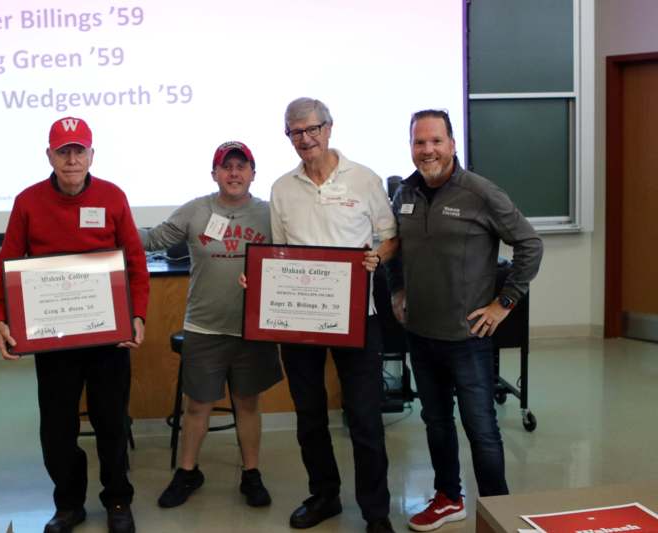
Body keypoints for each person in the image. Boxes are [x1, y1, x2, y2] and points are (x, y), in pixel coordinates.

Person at [0, 116, 149, 533]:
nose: (72, 159)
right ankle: (69, 504)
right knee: (57, 429)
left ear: (92, 155)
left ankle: (118, 500)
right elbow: (6, 264)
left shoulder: (113, 198)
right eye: (64, 151)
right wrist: (1, 319)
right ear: (50, 156)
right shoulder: (28, 202)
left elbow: (135, 262)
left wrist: (137, 315)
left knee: (112, 421)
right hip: (54, 339)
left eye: (80, 150)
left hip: (107, 338)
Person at [388, 109, 543, 531]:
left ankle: (498, 512)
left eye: (436, 141)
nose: (428, 150)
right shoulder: (403, 192)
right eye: (420, 142)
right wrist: (398, 290)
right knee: (435, 423)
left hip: (467, 338)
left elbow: (530, 244)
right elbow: (394, 249)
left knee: (481, 429)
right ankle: (447, 497)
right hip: (420, 335)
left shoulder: (480, 192)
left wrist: (503, 303)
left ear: (452, 144)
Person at [269, 97, 399, 533]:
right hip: (300, 319)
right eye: (295, 132)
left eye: (311, 129)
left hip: (358, 315)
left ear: (329, 128)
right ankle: (324, 495)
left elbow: (390, 238)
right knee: (309, 414)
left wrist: (376, 257)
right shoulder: (282, 189)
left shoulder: (364, 180)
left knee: (364, 416)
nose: (305, 139)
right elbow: (278, 253)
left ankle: (375, 511)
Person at [140, 141, 283, 509]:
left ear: (253, 173)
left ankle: (251, 473)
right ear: (214, 174)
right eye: (226, 167)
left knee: (248, 404)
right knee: (197, 406)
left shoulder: (271, 214)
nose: (234, 173)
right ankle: (188, 471)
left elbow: (294, 258)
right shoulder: (196, 210)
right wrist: (110, 228)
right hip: (203, 328)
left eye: (242, 166)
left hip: (252, 328)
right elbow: (153, 239)